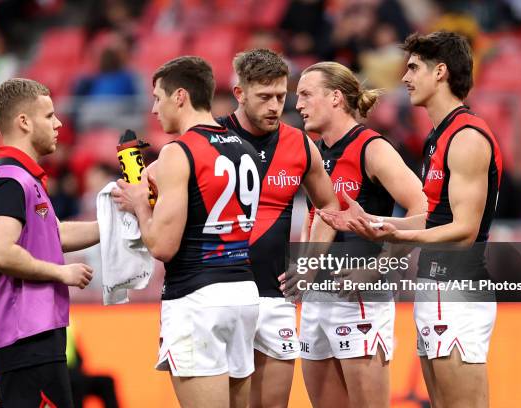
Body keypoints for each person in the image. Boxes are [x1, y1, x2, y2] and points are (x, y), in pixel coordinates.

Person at [319, 32, 503, 408]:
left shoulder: (466, 137)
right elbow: (435, 219)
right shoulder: (440, 135)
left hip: (456, 291)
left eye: (414, 68)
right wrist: (376, 222)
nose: (405, 78)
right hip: (437, 291)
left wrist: (396, 239)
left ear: (440, 72)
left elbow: (464, 231)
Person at [112, 56, 262, 408]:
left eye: (158, 97)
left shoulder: (178, 153)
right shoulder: (247, 148)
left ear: (180, 96)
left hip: (197, 298)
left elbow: (162, 246)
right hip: (243, 291)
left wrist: (140, 204)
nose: (153, 109)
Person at [293, 61, 426, 408]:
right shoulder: (316, 153)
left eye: (306, 94)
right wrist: (305, 268)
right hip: (318, 298)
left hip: (360, 299)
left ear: (336, 97)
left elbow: (425, 213)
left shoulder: (372, 148)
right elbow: (323, 215)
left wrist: (380, 267)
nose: (298, 105)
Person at [216, 48, 339, 408]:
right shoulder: (210, 140)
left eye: (280, 96)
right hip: (220, 296)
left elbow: (330, 205)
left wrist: (310, 262)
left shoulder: (299, 144)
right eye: (264, 97)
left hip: (275, 297)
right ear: (240, 94)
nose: (274, 106)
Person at [0, 78, 100, 407]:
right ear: (24, 122)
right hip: (24, 339)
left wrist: (118, 226)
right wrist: (61, 273)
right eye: (49, 116)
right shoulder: (9, 181)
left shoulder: (24, 179)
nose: (59, 123)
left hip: (34, 338)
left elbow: (55, 235)